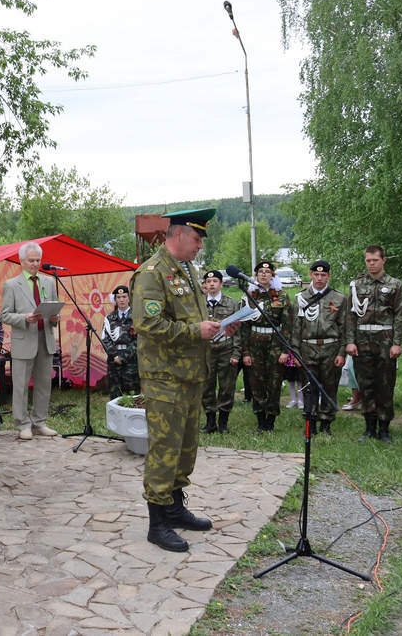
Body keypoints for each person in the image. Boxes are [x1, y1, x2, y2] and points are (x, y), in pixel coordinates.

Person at [132, 208, 235, 552]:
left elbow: (196, 319)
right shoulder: (151, 273)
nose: (199, 246)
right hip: (164, 378)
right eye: (196, 239)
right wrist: (195, 330)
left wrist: (219, 328)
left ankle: (175, 508)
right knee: (164, 448)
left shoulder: (188, 271)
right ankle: (156, 522)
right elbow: (149, 325)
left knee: (186, 447)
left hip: (190, 374)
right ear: (177, 235)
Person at [345, 245, 402, 443]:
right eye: (368, 260)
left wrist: (397, 343)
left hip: (385, 340)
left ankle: (385, 428)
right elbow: (351, 316)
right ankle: (370, 427)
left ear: (383, 260)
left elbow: (399, 316)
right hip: (362, 340)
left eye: (375, 260)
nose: (372, 264)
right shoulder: (357, 285)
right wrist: (350, 341)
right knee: (366, 384)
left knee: (385, 385)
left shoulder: (395, 285)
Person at [0, 242, 61, 440]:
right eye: (31, 260)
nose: (35, 264)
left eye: (38, 260)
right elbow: (5, 315)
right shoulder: (11, 285)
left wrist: (54, 319)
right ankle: (22, 424)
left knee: (44, 384)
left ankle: (39, 422)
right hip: (24, 340)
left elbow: (53, 308)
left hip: (45, 339)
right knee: (21, 385)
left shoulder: (49, 282)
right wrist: (24, 318)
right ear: (21, 261)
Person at [289, 260, 348, 435]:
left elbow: (345, 327)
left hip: (331, 347)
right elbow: (295, 328)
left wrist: (342, 352)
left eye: (323, 275)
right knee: (309, 387)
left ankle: (326, 424)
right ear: (311, 275)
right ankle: (311, 423)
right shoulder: (301, 298)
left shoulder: (339, 298)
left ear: (329, 276)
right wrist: (296, 352)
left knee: (329, 386)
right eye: (316, 274)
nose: (319, 278)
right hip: (308, 348)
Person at [239, 261, 293, 433]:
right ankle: (260, 421)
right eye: (260, 272)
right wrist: (246, 352)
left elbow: (287, 325)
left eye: (267, 272)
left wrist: (285, 351)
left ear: (273, 276)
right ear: (255, 276)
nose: (263, 274)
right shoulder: (250, 296)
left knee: (274, 382)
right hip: (255, 343)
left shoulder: (282, 296)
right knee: (256, 382)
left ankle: (271, 420)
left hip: (275, 343)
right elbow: (244, 326)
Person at [201, 270, 241, 434]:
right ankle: (210, 422)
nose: (211, 284)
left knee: (226, 386)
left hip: (226, 349)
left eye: (215, 281)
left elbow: (238, 331)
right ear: (205, 285)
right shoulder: (199, 304)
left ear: (221, 283)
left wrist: (236, 353)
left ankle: (223, 423)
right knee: (206, 386)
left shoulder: (231, 304)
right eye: (208, 281)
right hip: (206, 350)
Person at [102, 285, 139, 399]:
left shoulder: (137, 317)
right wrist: (115, 356)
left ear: (129, 298)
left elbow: (139, 341)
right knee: (115, 396)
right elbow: (105, 339)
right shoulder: (109, 318)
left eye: (124, 296)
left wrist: (123, 357)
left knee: (133, 396)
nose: (122, 300)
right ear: (115, 299)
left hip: (131, 362)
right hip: (114, 362)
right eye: (118, 297)